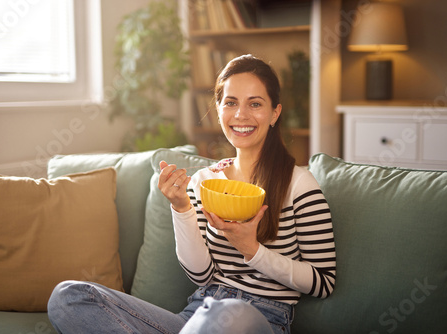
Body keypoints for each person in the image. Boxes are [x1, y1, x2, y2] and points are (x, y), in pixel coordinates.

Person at [47, 54, 336, 334]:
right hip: (197, 315)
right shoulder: (205, 182)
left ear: (275, 113)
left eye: (255, 104)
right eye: (230, 102)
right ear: (219, 109)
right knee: (68, 297)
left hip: (261, 318)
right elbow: (201, 276)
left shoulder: (299, 184)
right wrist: (181, 207)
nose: (241, 115)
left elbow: (323, 283)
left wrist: (253, 250)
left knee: (229, 314)